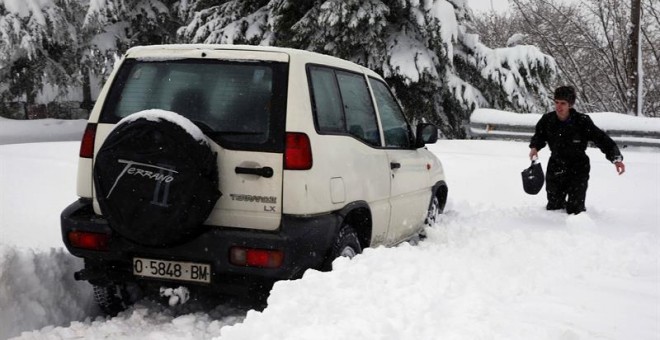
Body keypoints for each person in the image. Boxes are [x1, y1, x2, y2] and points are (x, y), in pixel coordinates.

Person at [529, 86, 626, 215]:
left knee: (575, 210)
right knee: (554, 208)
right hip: (556, 166)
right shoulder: (548, 120)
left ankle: (577, 230)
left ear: (570, 104)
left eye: (563, 103)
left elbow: (601, 139)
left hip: (578, 168)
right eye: (556, 102)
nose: (559, 106)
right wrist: (534, 147)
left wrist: (616, 158)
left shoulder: (582, 121)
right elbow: (539, 136)